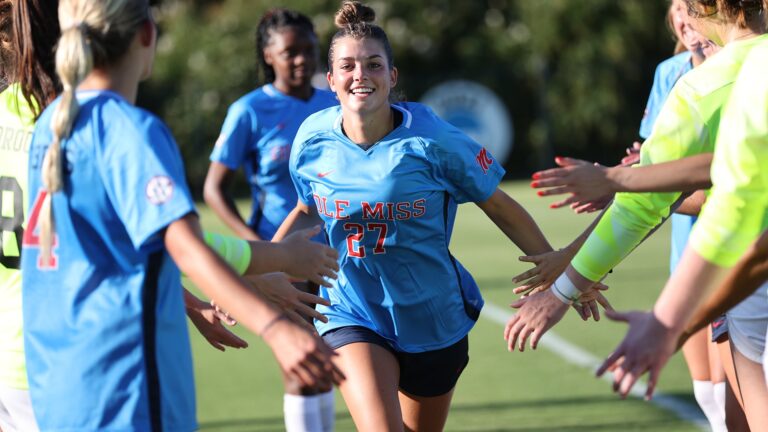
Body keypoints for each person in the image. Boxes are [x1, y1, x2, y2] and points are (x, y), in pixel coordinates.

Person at [273, 2, 604, 430]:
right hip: (351, 311)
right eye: (348, 66)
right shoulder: (312, 139)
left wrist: (562, 274)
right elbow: (305, 211)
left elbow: (499, 205)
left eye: (373, 65)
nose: (360, 75)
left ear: (391, 77)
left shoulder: (434, 139)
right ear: (332, 79)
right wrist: (262, 268)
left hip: (433, 318)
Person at [20, 0, 341, 430]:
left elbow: (169, 245)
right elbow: (187, 248)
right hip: (124, 381)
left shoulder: (54, 125)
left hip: (57, 380)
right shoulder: (132, 131)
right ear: (147, 34)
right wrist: (276, 330)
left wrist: (275, 259)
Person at [506, 0, 767, 426]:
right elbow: (735, 168)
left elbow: (723, 199)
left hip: (745, 279)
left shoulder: (706, 85)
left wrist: (564, 291)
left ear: (706, 8)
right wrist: (624, 180)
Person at [597, 23, 768, 430]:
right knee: (722, 402)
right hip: (724, 266)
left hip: (728, 265)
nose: (687, 20)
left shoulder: (743, 69)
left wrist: (669, 327)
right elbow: (732, 168)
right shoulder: (695, 74)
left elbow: (731, 183)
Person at [203, 9, 339, 431]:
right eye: (289, 52)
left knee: (336, 352)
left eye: (309, 50)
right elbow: (213, 188)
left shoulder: (335, 102)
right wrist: (259, 250)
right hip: (283, 256)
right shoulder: (249, 110)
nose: (301, 60)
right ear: (268, 55)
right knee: (299, 357)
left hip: (339, 251)